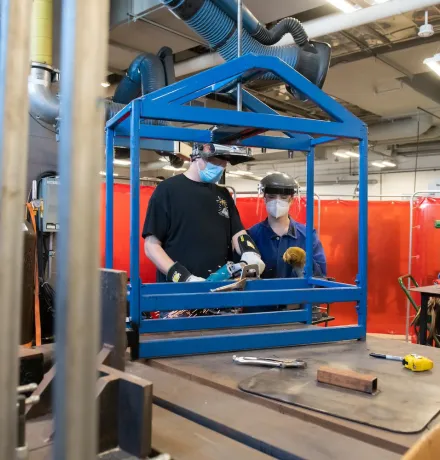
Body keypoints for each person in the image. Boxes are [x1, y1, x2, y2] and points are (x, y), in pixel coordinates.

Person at [142, 143, 265, 295]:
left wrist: (250, 253)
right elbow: (151, 246)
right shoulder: (167, 191)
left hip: (221, 290)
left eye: (224, 162)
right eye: (215, 161)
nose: (221, 166)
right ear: (196, 156)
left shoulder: (223, 194)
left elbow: (238, 233)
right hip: (178, 294)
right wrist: (184, 278)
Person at [248, 172, 326, 280]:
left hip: (298, 296)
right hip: (263, 296)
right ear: (264, 198)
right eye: (271, 197)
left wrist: (304, 262)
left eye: (283, 197)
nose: (277, 202)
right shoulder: (252, 235)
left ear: (291, 200)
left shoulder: (307, 236)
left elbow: (320, 276)